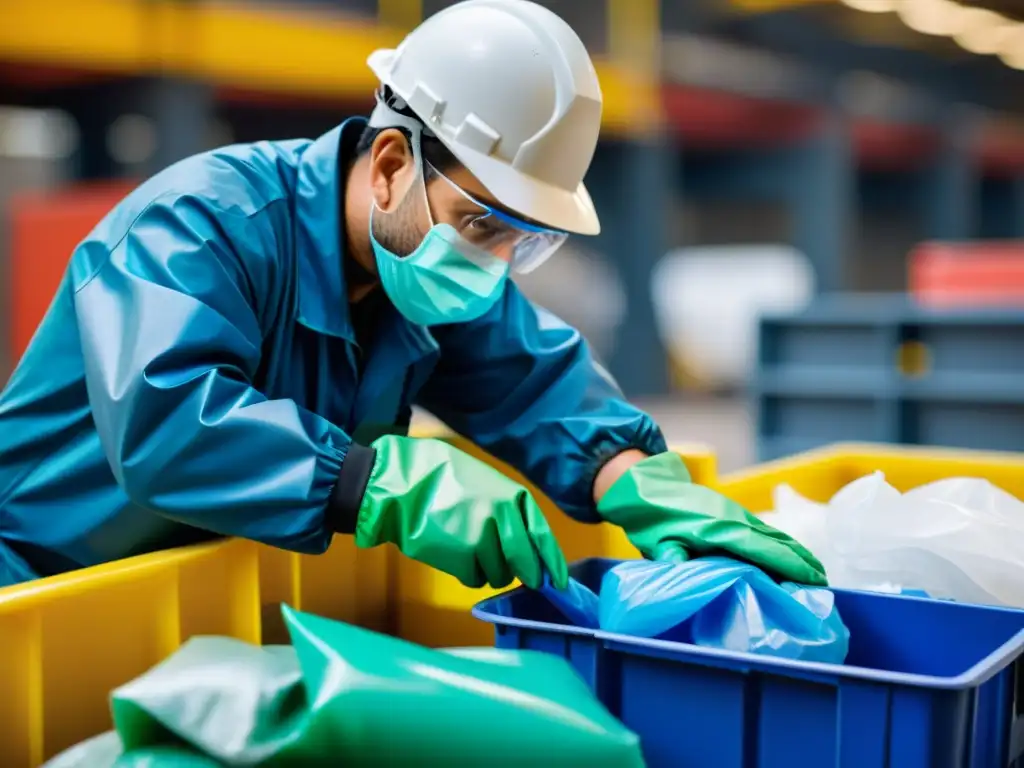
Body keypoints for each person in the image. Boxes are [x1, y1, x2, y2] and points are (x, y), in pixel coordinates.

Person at [0, 0, 825, 591]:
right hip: (39, 581)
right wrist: (382, 483)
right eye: (484, 222)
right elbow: (166, 424)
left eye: (526, 240)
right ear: (393, 164)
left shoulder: (422, 265)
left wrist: (634, 479)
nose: (494, 260)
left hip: (192, 583)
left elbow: (531, 378)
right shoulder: (203, 224)